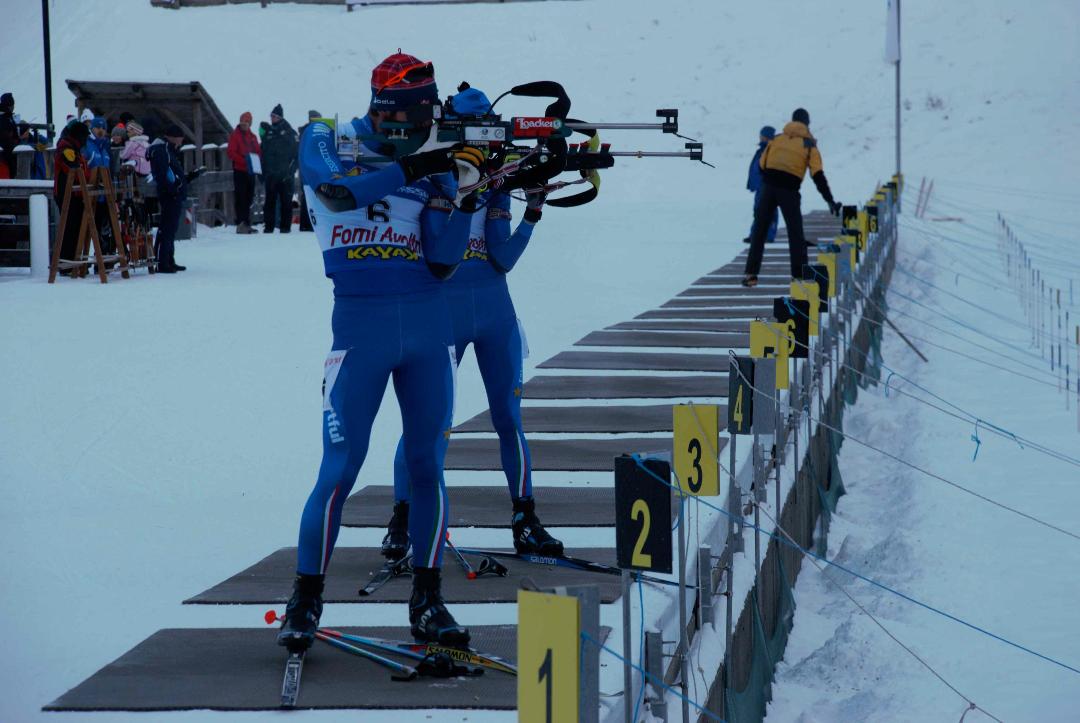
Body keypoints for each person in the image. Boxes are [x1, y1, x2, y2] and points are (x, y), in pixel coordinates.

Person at [277, 52, 483, 653]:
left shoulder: (434, 156)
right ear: (388, 110)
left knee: (426, 467)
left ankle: (428, 595)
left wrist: (463, 193)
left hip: (427, 329)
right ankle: (305, 595)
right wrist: (419, 166)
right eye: (414, 121)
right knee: (338, 471)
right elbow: (334, 193)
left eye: (429, 123)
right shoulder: (329, 136)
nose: (422, 131)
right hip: (359, 331)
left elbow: (444, 261)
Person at [381, 84, 562, 563]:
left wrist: (534, 211)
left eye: (490, 132)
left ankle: (525, 517)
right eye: (475, 132)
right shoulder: (434, 174)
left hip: (494, 310)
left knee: (508, 418)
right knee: (428, 424)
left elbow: (501, 258)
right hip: (442, 313)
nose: (485, 145)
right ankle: (403, 518)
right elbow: (436, 253)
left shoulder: (498, 179)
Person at [742, 108, 840, 287]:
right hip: (789, 190)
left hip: (768, 187)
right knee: (795, 233)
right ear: (807, 124)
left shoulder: (777, 139)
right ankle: (799, 276)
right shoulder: (809, 144)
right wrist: (830, 200)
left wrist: (770, 180)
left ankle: (751, 275)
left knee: (759, 231)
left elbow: (762, 164)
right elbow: (817, 175)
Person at [148, 124, 201, 273]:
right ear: (173, 137)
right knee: (167, 228)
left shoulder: (168, 150)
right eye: (180, 138)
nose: (182, 141)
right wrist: (174, 189)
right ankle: (163, 262)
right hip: (170, 195)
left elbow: (174, 175)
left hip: (173, 194)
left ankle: (169, 260)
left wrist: (188, 177)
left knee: (170, 228)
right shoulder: (162, 151)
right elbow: (165, 175)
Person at [53, 121, 91, 273]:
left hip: (75, 193)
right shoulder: (66, 148)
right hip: (66, 194)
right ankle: (67, 264)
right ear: (79, 136)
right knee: (69, 228)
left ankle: (74, 261)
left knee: (76, 228)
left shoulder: (73, 148)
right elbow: (73, 169)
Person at [261, 104, 297, 233]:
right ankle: (268, 227)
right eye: (271, 116)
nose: (272, 118)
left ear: (280, 117)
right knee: (269, 202)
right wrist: (263, 172)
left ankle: (285, 228)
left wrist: (291, 171)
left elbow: (296, 154)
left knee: (286, 202)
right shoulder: (269, 132)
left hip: (285, 175)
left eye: (274, 116)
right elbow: (263, 152)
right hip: (271, 174)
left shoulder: (289, 132)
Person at [83, 117, 116, 255]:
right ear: (92, 128)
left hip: (104, 195)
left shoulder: (105, 147)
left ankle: (103, 259)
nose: (101, 131)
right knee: (90, 229)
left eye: (103, 128)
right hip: (91, 195)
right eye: (98, 128)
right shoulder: (87, 145)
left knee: (105, 229)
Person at [742, 125, 778, 244]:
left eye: (762, 136)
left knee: (769, 211)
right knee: (758, 211)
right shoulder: (761, 150)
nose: (760, 138)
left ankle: (768, 235)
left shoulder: (772, 150)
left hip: (768, 186)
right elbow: (755, 169)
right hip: (760, 187)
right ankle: (756, 235)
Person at [226, 111, 261, 234]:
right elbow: (231, 153)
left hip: (251, 172)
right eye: (242, 122)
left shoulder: (253, 137)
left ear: (250, 123)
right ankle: (241, 223)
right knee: (240, 198)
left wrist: (257, 161)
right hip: (240, 171)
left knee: (249, 198)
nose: (243, 124)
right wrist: (245, 161)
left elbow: (258, 151)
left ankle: (246, 223)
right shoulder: (235, 136)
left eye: (246, 122)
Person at [296, 109, 321, 232]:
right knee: (308, 194)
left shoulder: (305, 131)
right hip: (308, 167)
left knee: (308, 194)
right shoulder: (309, 131)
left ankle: (306, 224)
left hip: (307, 166)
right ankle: (307, 224)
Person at [0, 92, 18, 179]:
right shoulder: (4, 119)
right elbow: (6, 139)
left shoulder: (7, 117)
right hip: (7, 155)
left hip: (8, 152)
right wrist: (19, 140)